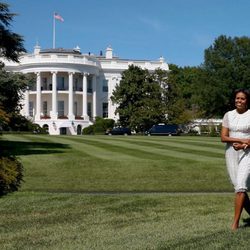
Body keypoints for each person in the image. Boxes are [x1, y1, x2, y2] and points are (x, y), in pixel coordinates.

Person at [221, 89, 250, 230]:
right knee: (238, 188)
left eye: (242, 99)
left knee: (241, 187)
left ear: (247, 101)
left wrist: (245, 144)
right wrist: (240, 139)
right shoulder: (228, 115)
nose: (239, 101)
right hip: (231, 154)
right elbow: (223, 137)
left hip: (247, 153)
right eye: (237, 98)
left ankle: (235, 224)